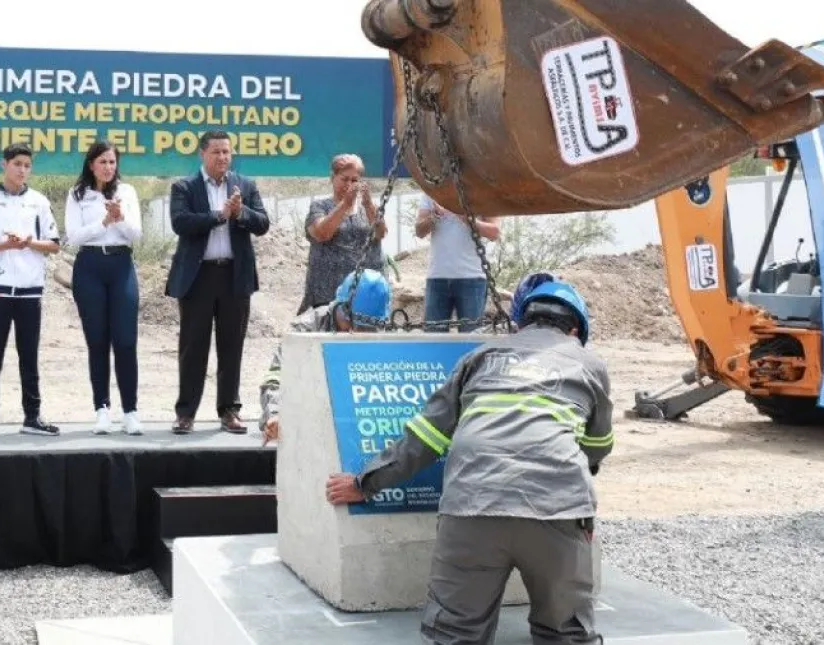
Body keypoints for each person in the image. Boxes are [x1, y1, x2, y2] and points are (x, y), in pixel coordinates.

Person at [326, 274, 613, 645]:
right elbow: (597, 446)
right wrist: (578, 509)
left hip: (471, 511)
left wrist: (364, 483)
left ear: (521, 322)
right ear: (575, 329)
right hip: (555, 514)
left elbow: (424, 439)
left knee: (456, 635)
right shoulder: (590, 365)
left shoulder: (479, 358)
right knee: (566, 635)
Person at [165, 130, 271, 435]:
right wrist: (218, 215)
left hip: (234, 277)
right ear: (202, 154)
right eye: (216, 152)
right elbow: (181, 223)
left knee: (232, 346)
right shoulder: (184, 187)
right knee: (193, 347)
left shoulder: (245, 186)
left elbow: (262, 223)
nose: (223, 157)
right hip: (198, 278)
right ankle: (186, 413)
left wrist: (241, 212)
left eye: (227, 152)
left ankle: (229, 411)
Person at [0, 144, 62, 439]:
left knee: (29, 355)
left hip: (30, 291)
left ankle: (32, 416)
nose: (22, 170)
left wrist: (29, 242)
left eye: (27, 165)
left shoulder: (39, 202)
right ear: (3, 164)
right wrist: (6, 245)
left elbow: (55, 244)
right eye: (17, 163)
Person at [259, 269, 392, 446]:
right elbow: (275, 379)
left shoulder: (378, 333)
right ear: (341, 308)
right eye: (355, 326)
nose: (359, 335)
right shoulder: (304, 331)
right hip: (308, 420)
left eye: (368, 330)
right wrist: (276, 414)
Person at [65, 141, 143, 435]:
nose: (109, 168)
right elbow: (74, 237)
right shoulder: (78, 194)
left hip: (121, 265)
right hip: (89, 267)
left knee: (125, 340)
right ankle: (102, 409)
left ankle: (131, 411)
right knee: (97, 341)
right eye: (103, 162)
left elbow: (136, 234)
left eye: (112, 162)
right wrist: (104, 221)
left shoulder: (128, 192)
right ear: (91, 165)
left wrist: (119, 218)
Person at [297, 154, 387, 314]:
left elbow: (381, 233)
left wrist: (368, 206)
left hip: (366, 291)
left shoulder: (369, 207)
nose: (349, 185)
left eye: (354, 180)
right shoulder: (320, 207)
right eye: (344, 179)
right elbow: (322, 233)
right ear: (333, 178)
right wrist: (345, 204)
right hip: (328, 293)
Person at [415, 193, 500, 332]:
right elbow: (419, 231)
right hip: (437, 277)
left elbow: (494, 232)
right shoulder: (431, 190)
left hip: (472, 278)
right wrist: (434, 216)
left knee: (470, 340)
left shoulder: (481, 189)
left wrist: (465, 218)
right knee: (432, 340)